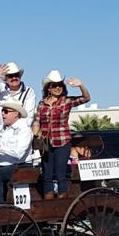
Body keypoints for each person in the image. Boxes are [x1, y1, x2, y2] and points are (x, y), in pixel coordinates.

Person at [33, 70, 91, 199]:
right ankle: (48, 198)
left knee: (61, 172)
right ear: (48, 88)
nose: (58, 88)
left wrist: (80, 85)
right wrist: (36, 136)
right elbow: (37, 121)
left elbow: (86, 98)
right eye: (54, 85)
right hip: (47, 143)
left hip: (63, 141)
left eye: (60, 85)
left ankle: (62, 198)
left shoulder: (66, 101)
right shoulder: (42, 103)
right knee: (47, 173)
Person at [0, 61, 37, 126]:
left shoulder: (29, 92)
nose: (14, 78)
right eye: (11, 76)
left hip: (19, 131)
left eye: (16, 75)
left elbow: (29, 116)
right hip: (0, 130)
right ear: (5, 78)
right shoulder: (2, 88)